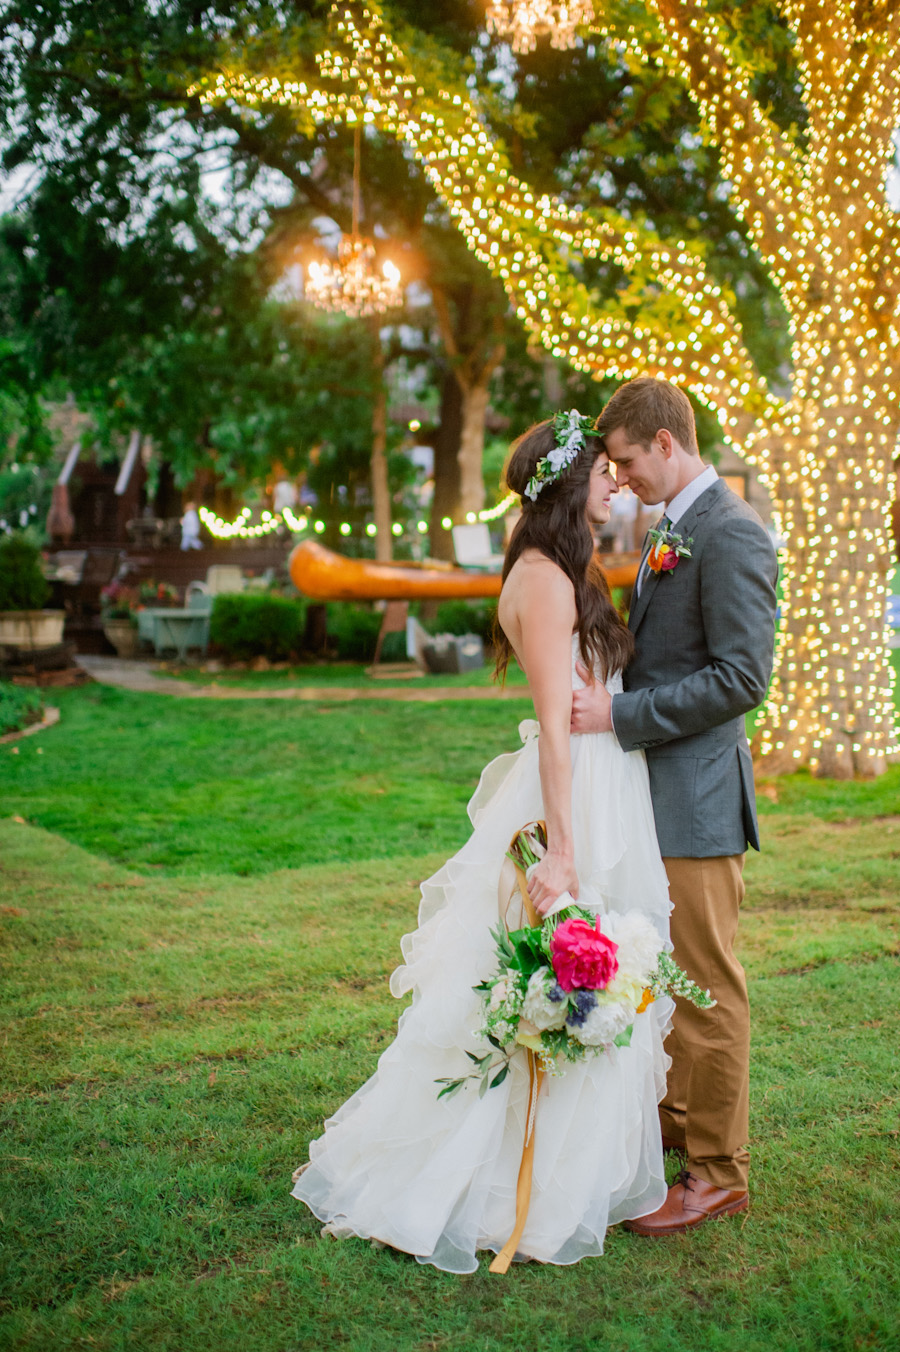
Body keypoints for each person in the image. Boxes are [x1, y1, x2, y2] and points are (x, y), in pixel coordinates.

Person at [292, 412, 677, 1272]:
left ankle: (571, 1175)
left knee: (608, 977)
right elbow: (551, 730)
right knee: (551, 983)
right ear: (571, 486)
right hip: (571, 797)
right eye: (603, 473)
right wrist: (563, 854)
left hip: (607, 786)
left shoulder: (568, 568)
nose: (617, 483)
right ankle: (488, 1185)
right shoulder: (540, 582)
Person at [570, 378, 778, 1236]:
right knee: (665, 979)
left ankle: (718, 1172)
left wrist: (619, 716)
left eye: (623, 460)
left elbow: (741, 680)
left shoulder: (731, 534)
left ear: (665, 443)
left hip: (696, 801)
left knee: (708, 990)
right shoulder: (673, 530)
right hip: (657, 800)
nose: (618, 479)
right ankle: (678, 1128)